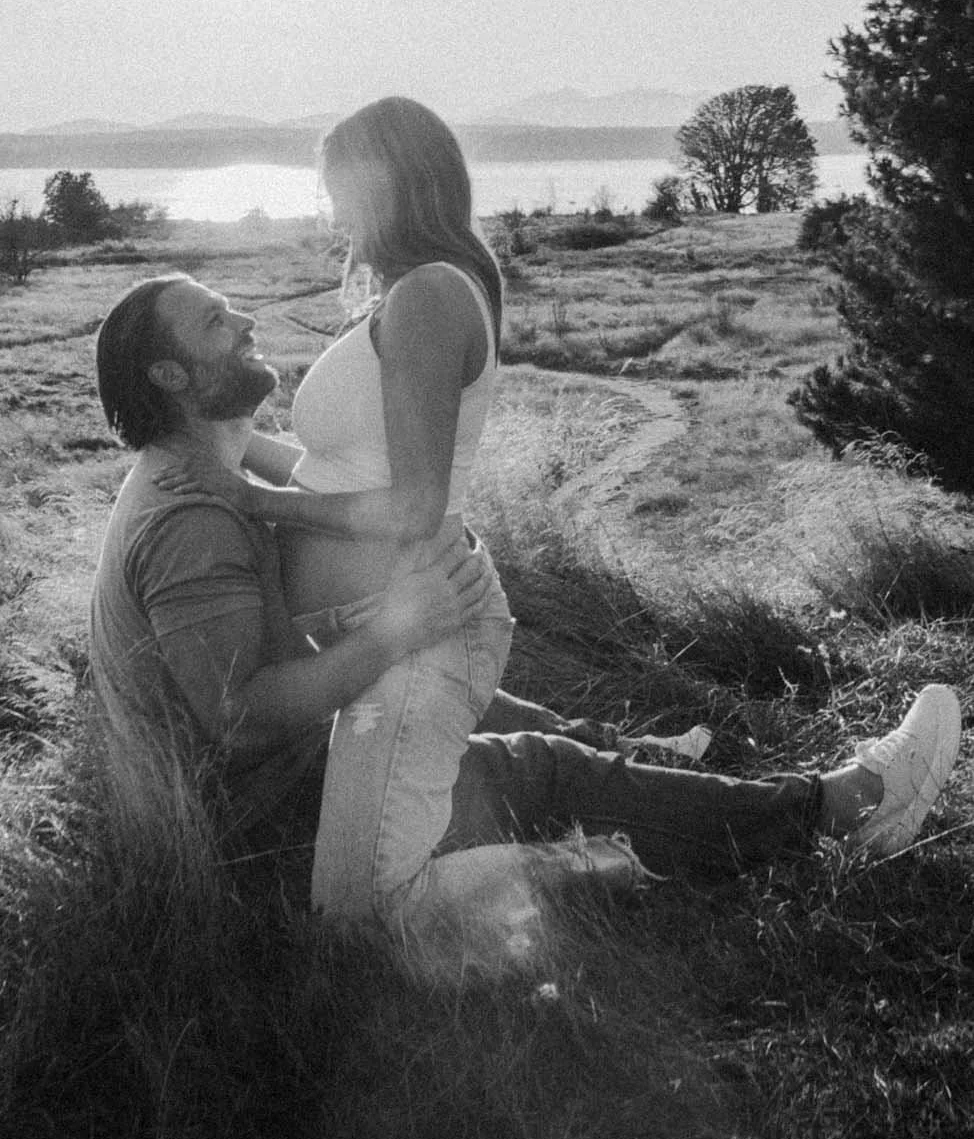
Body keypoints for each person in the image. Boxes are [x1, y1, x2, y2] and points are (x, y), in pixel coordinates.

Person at [87, 271, 963, 951]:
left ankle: (642, 761)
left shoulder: (204, 479)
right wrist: (405, 623)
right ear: (172, 375)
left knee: (453, 695)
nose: (243, 322)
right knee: (531, 768)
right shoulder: (191, 520)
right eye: (215, 322)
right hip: (260, 828)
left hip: (261, 792)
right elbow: (239, 719)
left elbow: (289, 521)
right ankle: (839, 812)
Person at [155, 97, 517, 926]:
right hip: (376, 624)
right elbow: (341, 470)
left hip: (424, 620)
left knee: (359, 913)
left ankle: (582, 865)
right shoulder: (414, 293)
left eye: (338, 187)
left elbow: (416, 506)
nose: (332, 207)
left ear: (390, 184)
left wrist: (258, 502)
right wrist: (219, 442)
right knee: (379, 869)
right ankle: (603, 786)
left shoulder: (429, 296)